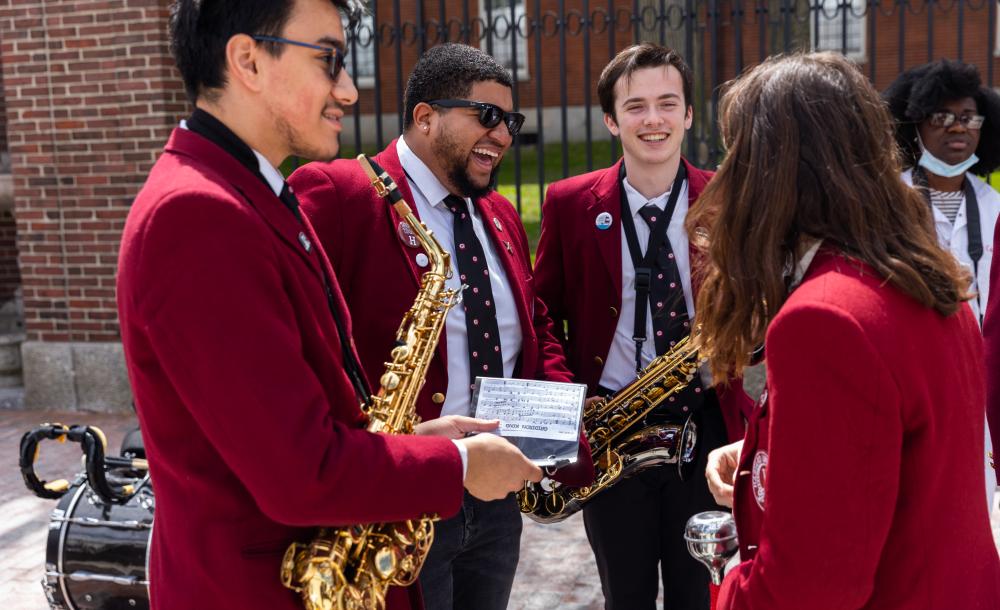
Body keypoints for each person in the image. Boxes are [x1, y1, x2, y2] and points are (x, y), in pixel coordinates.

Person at [116, 3, 542, 610]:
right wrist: (455, 464)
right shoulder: (198, 216)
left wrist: (416, 437)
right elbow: (302, 472)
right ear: (248, 62)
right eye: (329, 60)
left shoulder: (250, 194)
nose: (346, 89)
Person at [289, 43, 593, 610]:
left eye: (510, 121)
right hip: (399, 493)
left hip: (494, 496)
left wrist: (557, 418)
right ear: (425, 117)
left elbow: (534, 323)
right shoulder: (341, 194)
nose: (502, 135)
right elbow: (303, 346)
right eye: (487, 116)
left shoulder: (499, 213)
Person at [696, 52, 1000, 609]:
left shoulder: (825, 320)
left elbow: (809, 590)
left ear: (773, 171)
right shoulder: (927, 278)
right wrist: (772, 449)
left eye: (736, 152)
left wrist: (725, 594)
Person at [532, 43, 749, 610]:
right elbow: (540, 311)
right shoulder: (569, 202)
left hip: (705, 427)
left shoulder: (728, 200)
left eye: (667, 103)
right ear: (611, 119)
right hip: (611, 430)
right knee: (623, 594)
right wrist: (568, 401)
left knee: (698, 592)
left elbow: (757, 305)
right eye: (635, 107)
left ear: (689, 115)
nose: (653, 120)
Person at [884, 60, 1000, 510]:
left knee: (973, 504)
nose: (959, 127)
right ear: (914, 125)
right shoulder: (887, 202)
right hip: (910, 375)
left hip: (976, 377)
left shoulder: (993, 207)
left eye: (969, 116)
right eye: (942, 116)